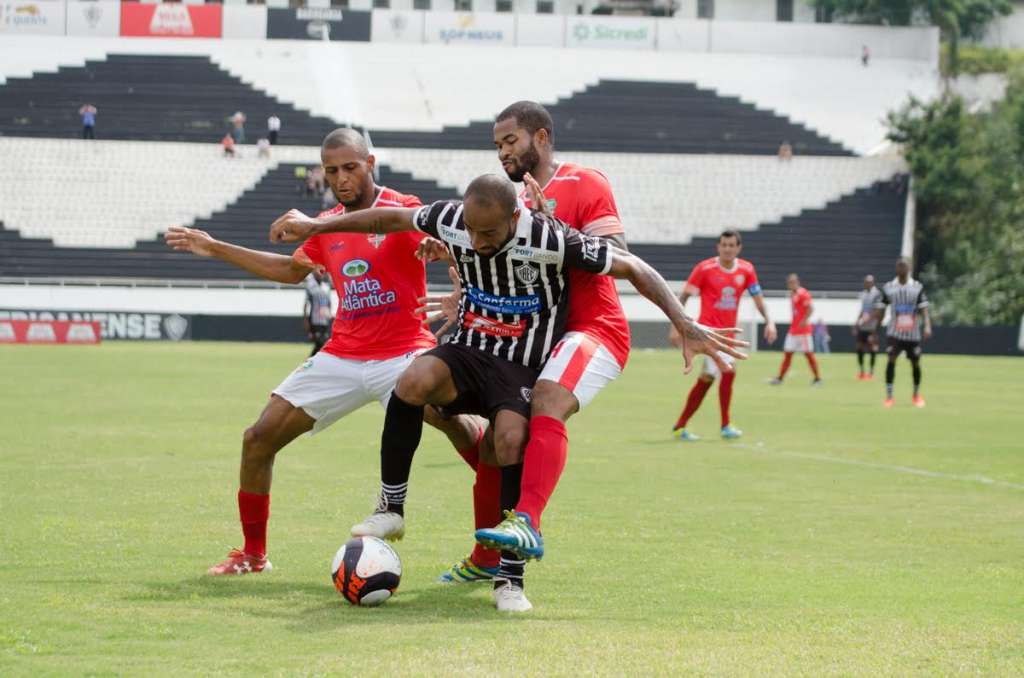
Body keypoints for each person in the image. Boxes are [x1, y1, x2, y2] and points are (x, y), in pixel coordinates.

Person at [269, 174, 746, 611]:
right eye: (470, 233)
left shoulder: (551, 238)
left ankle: (510, 579)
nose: (476, 243)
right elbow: (387, 218)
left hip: (520, 363)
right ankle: (391, 508)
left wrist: (685, 323)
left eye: (489, 234)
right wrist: (315, 225)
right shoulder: (453, 220)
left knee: (510, 441)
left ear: (515, 218)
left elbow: (631, 265)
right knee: (410, 381)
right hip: (469, 349)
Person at [163, 128, 479, 577]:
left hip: (404, 354)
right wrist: (215, 248)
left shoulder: (404, 208)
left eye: (350, 167)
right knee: (258, 439)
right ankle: (253, 555)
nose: (341, 178)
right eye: (332, 171)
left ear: (370, 164)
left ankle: (499, 531)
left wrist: (440, 251)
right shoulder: (326, 224)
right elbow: (292, 270)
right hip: (343, 356)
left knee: (463, 430)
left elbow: (456, 247)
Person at [423, 101, 639, 586]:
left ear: (540, 138)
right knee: (455, 423)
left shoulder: (585, 183)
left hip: (592, 327)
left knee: (542, 405)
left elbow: (620, 257)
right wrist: (461, 284)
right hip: (534, 338)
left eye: (510, 141)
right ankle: (485, 557)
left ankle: (526, 522)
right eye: (497, 145)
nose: (502, 152)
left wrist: (555, 226)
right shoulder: (508, 200)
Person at [671, 230, 776, 441]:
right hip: (708, 333)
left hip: (728, 334)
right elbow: (683, 297)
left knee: (710, 378)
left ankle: (682, 426)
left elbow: (757, 297)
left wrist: (769, 321)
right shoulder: (705, 268)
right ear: (718, 247)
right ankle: (723, 425)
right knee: (726, 372)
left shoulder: (746, 270)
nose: (727, 249)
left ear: (738, 248)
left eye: (731, 245)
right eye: (724, 245)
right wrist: (677, 326)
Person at [877, 257, 931, 408]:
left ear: (910, 268)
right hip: (894, 332)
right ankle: (889, 397)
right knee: (891, 359)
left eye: (904, 266)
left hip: (912, 333)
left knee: (915, 362)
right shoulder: (888, 287)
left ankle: (916, 395)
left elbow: (923, 308)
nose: (901, 268)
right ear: (896, 269)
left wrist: (927, 325)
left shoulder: (917, 287)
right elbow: (881, 308)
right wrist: (877, 327)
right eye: (899, 266)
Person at [770, 273, 822, 386]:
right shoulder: (792, 294)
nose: (791, 284)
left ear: (798, 282)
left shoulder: (803, 293)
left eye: (793, 282)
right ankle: (780, 378)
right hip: (793, 331)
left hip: (804, 332)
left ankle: (818, 379)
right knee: (787, 354)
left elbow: (811, 308)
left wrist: (804, 321)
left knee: (809, 355)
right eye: (789, 282)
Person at [854, 274, 882, 379]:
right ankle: (861, 371)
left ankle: (871, 372)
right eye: (864, 282)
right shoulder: (864, 294)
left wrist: (868, 319)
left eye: (867, 282)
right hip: (863, 326)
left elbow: (878, 311)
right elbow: (863, 310)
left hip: (872, 326)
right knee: (859, 348)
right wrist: (857, 322)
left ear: (872, 283)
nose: (865, 284)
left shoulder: (877, 294)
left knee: (873, 348)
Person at [303, 271, 332, 356]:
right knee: (320, 343)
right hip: (315, 320)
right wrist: (306, 320)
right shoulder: (310, 286)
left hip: (324, 320)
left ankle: (310, 362)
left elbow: (329, 303)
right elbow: (306, 304)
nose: (320, 274)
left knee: (322, 344)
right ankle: (309, 362)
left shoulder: (326, 287)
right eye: (318, 272)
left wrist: (329, 313)